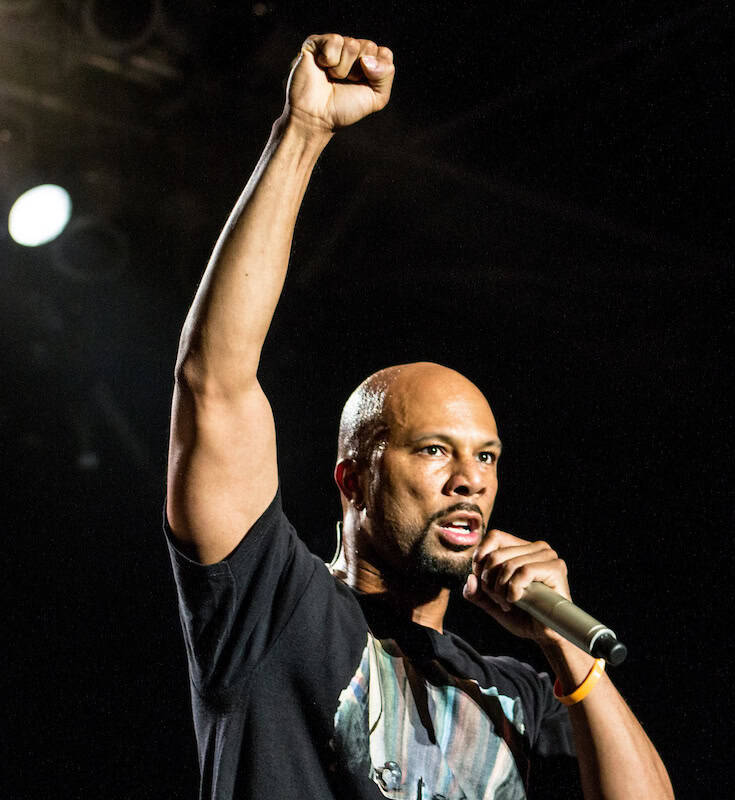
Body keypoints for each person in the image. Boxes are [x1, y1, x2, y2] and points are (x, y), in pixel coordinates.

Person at [165, 33, 674, 799]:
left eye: (486, 457)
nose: (471, 480)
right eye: (435, 450)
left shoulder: (515, 692)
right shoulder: (273, 606)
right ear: (353, 479)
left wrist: (569, 653)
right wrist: (302, 131)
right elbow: (215, 383)